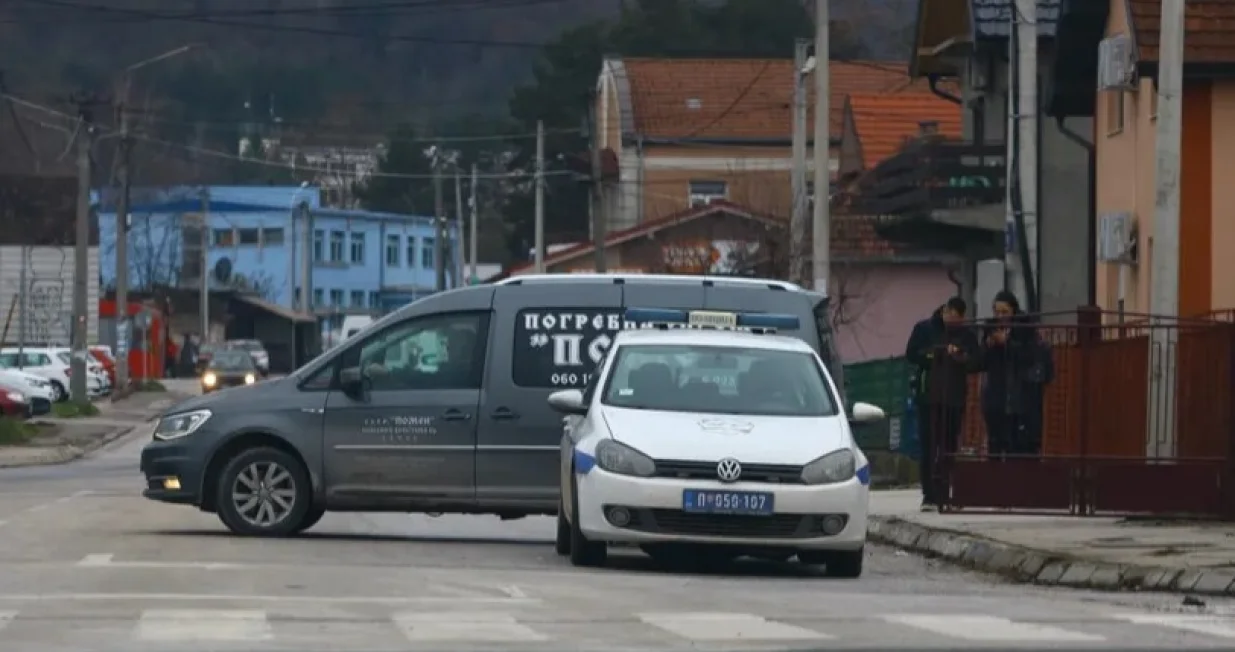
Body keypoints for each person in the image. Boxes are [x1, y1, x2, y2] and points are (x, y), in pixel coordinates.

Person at [906, 297, 980, 512]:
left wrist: (959, 357)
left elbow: (975, 361)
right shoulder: (925, 328)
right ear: (944, 311)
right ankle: (929, 495)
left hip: (954, 397)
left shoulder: (965, 334)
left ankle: (945, 492)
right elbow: (912, 354)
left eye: (957, 318)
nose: (952, 320)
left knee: (948, 447)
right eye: (949, 315)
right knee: (929, 446)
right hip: (928, 395)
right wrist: (935, 354)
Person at [979, 290, 1054, 458]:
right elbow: (981, 363)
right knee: (996, 447)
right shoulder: (990, 328)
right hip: (997, 399)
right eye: (996, 311)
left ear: (1013, 311)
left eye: (1004, 312)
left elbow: (1029, 357)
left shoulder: (1025, 328)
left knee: (1021, 451)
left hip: (1022, 400)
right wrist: (988, 346)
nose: (1000, 316)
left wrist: (1007, 343)